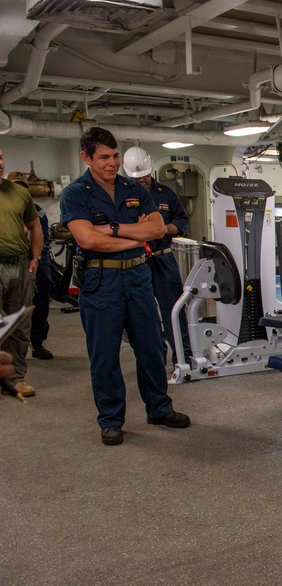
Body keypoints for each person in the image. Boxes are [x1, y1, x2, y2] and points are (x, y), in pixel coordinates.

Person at [61, 127, 191, 446]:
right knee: (104, 353)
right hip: (100, 281)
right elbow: (87, 238)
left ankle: (159, 408)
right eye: (103, 157)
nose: (112, 162)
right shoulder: (76, 193)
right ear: (86, 158)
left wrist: (115, 230)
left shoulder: (134, 188)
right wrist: (134, 239)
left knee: (150, 346)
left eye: (115, 155)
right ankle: (111, 419)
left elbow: (158, 227)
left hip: (138, 277)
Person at [122, 147, 192, 366]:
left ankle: (183, 356)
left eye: (144, 175)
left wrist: (163, 229)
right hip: (136, 261)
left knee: (174, 308)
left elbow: (182, 221)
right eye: (136, 177)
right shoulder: (123, 195)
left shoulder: (166, 194)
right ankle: (154, 356)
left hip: (162, 259)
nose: (141, 180)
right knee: (143, 314)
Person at [0, 150, 43, 397]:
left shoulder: (19, 192)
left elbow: (34, 225)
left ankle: (14, 379)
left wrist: (35, 257)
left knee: (18, 325)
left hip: (18, 265)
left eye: (0, 157)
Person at [6, 172, 54, 360]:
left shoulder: (38, 211)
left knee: (40, 304)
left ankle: (37, 342)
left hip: (38, 261)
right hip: (10, 263)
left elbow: (41, 236)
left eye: (22, 187)